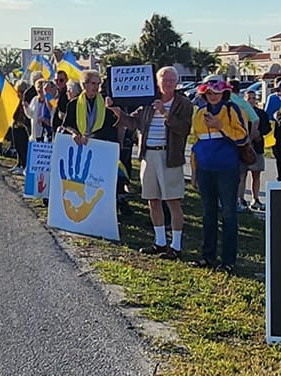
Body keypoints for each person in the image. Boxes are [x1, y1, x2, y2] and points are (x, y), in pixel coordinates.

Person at [111, 66, 194, 259]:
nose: (168, 83)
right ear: (157, 82)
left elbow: (184, 129)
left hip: (170, 156)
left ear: (177, 82)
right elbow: (133, 123)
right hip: (148, 156)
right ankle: (159, 242)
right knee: (152, 200)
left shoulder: (184, 103)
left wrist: (166, 114)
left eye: (172, 80)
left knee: (173, 201)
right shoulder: (147, 101)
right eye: (164, 80)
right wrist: (117, 113)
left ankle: (176, 245)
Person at [191, 78, 248, 273]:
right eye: (209, 93)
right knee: (208, 214)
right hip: (205, 170)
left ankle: (228, 261)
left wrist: (220, 125)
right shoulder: (198, 113)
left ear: (224, 93)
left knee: (229, 214)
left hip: (227, 170)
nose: (213, 96)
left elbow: (243, 137)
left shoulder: (232, 110)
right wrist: (194, 172)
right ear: (203, 94)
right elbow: (196, 145)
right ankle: (208, 256)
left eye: (216, 92)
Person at [62, 69, 119, 146]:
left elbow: (110, 127)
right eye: (93, 83)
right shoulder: (74, 103)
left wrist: (91, 136)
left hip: (98, 144)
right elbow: (67, 125)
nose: (96, 87)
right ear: (84, 85)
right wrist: (74, 133)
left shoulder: (105, 102)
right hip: (78, 143)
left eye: (98, 84)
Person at [238, 89, 271, 211]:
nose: (251, 100)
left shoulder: (261, 114)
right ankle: (240, 199)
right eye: (249, 98)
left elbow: (267, 128)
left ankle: (255, 199)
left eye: (253, 98)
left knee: (256, 174)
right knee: (242, 174)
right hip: (243, 148)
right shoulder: (241, 112)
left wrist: (259, 133)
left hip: (257, 148)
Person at [10, 80, 31, 175]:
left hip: (24, 127)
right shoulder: (16, 100)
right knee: (17, 145)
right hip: (16, 124)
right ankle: (19, 163)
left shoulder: (27, 100)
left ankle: (23, 165)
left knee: (23, 147)